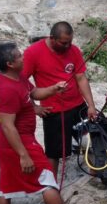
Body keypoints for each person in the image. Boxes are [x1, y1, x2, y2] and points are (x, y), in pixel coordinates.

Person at [0, 42, 81, 204]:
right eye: (19, 56)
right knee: (47, 180)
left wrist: (54, 89)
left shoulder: (17, 77)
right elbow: (7, 125)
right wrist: (23, 155)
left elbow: (33, 93)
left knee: (5, 185)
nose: (23, 57)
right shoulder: (7, 89)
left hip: (13, 142)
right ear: (10, 63)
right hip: (17, 142)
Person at [21, 21, 98, 177]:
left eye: (70, 42)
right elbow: (20, 82)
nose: (68, 46)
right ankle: (52, 185)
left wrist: (90, 105)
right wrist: (34, 107)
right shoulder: (33, 53)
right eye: (63, 43)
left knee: (89, 140)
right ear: (52, 38)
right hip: (53, 110)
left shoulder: (74, 50)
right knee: (54, 152)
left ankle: (95, 174)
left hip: (77, 106)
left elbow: (81, 78)